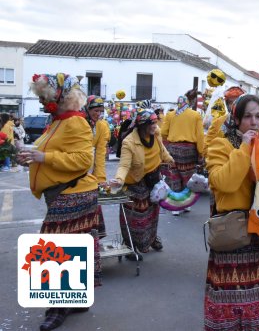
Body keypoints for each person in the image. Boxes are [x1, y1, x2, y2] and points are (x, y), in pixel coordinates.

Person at [18, 73, 101, 330]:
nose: (42, 102)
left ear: (62, 97)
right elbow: (54, 152)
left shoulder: (75, 123)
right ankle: (75, 300)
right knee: (65, 248)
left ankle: (57, 308)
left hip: (73, 193)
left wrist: (43, 157)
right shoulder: (58, 121)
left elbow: (82, 161)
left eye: (46, 97)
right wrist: (32, 157)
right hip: (61, 194)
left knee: (52, 251)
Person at [204, 94, 259, 330]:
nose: (254, 122)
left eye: (258, 116)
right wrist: (243, 148)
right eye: (247, 117)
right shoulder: (220, 145)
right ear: (237, 119)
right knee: (230, 307)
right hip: (234, 236)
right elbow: (224, 183)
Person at [110, 109, 174, 259]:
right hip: (135, 183)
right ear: (143, 125)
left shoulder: (156, 133)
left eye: (155, 122)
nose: (155, 125)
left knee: (152, 214)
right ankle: (130, 246)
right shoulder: (129, 142)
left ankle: (151, 239)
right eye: (151, 123)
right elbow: (124, 166)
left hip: (154, 180)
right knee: (135, 219)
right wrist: (118, 180)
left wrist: (169, 159)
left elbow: (162, 149)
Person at [160, 88, 205, 216]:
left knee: (174, 177)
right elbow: (200, 136)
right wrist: (201, 152)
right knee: (188, 177)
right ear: (188, 103)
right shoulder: (195, 115)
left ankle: (177, 207)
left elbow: (163, 132)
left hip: (173, 149)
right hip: (189, 150)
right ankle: (186, 205)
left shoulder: (170, 115)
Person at [85, 96, 110, 185]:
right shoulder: (78, 121)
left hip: (89, 168)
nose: (99, 114)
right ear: (87, 109)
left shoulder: (102, 126)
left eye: (101, 111)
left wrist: (100, 179)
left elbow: (100, 154)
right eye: (96, 110)